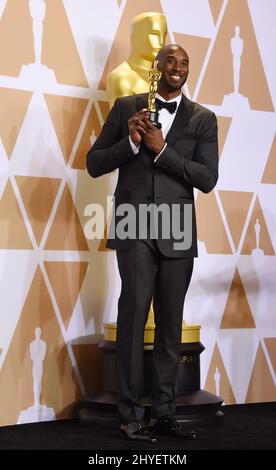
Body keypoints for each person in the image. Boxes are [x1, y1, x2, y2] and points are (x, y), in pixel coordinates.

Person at [87, 44, 218, 442]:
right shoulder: (128, 107)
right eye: (170, 61)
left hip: (178, 227)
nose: (177, 68)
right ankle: (129, 414)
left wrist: (162, 150)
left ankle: (164, 412)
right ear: (156, 68)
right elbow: (94, 164)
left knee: (169, 326)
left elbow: (207, 178)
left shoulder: (203, 118)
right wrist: (129, 144)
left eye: (184, 63)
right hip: (134, 224)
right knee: (132, 317)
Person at [107, 12, 167, 106]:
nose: (161, 42)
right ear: (136, 36)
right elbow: (120, 119)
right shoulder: (121, 77)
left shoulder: (167, 77)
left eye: (164, 35)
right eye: (154, 34)